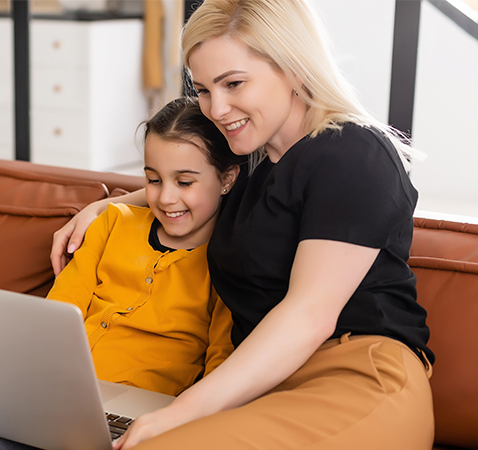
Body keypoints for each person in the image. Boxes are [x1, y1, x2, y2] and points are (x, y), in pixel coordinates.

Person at [51, 0, 436, 449]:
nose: (217, 108)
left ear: (293, 67)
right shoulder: (252, 164)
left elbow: (308, 316)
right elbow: (191, 188)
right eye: (204, 90)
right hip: (262, 384)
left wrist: (183, 410)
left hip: (354, 375)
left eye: (234, 84)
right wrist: (102, 207)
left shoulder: (352, 153)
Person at [0, 97, 244, 450]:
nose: (166, 198)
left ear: (227, 179)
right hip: (55, 390)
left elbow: (221, 363)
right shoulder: (112, 223)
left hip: (135, 413)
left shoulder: (228, 263)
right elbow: (58, 313)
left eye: (184, 182)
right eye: (153, 180)